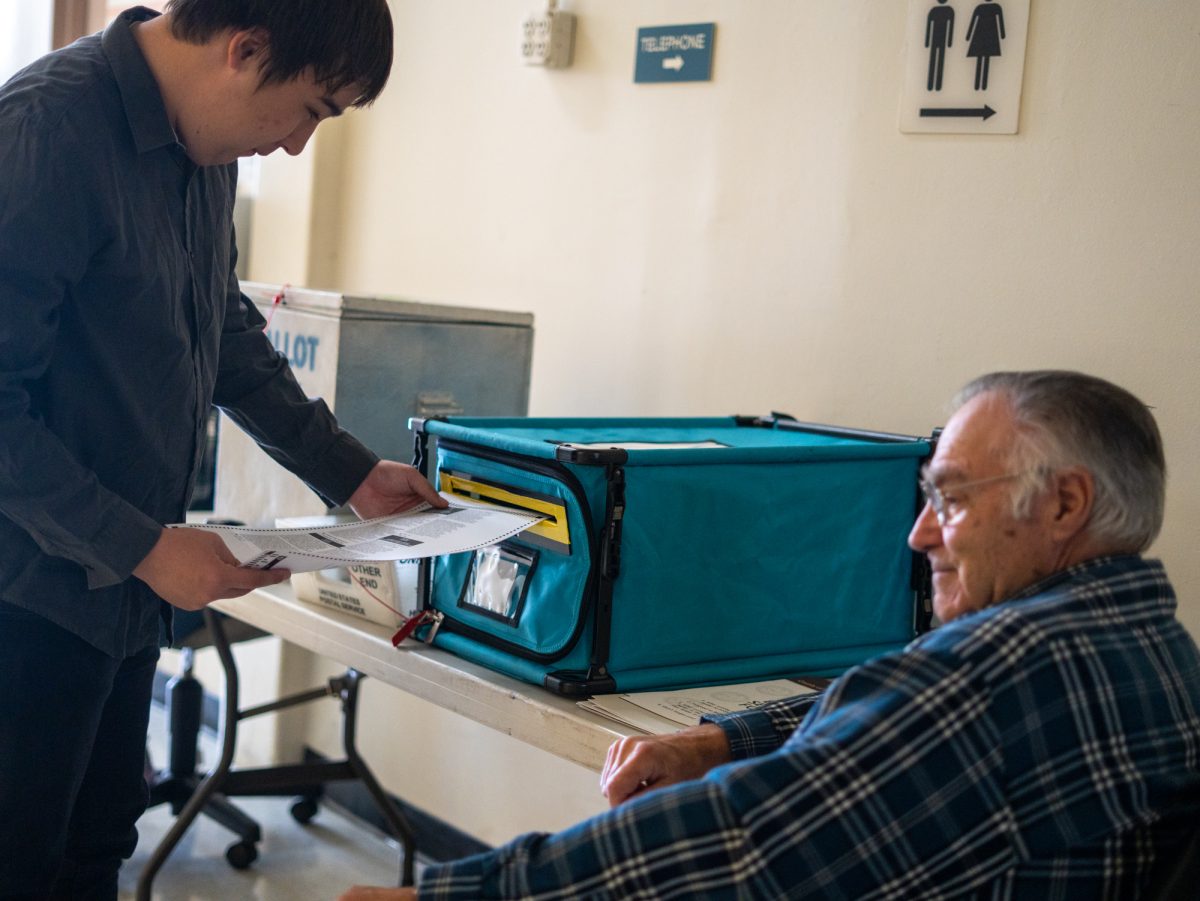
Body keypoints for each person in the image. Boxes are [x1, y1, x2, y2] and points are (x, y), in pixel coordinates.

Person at [340, 370, 1200, 900]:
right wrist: (725, 737)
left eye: (951, 497)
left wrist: (467, 894)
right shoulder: (1150, 646)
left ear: (1064, 504)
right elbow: (895, 718)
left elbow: (744, 843)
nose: (920, 533)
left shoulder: (997, 672)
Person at [0, 2, 446, 897]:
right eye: (313, 111)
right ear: (245, 50)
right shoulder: (46, 133)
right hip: (26, 593)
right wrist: (146, 547)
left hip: (119, 598)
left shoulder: (199, 153)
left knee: (96, 849)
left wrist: (348, 470)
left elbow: (224, 333)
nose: (293, 149)